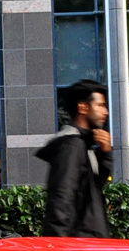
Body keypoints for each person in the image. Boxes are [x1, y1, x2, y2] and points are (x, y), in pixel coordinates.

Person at [35, 78, 113, 237]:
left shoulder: (84, 145)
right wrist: (59, 249)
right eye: (100, 105)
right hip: (81, 247)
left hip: (86, 245)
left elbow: (92, 190)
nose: (106, 112)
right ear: (83, 107)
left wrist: (104, 154)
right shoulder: (72, 145)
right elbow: (62, 197)